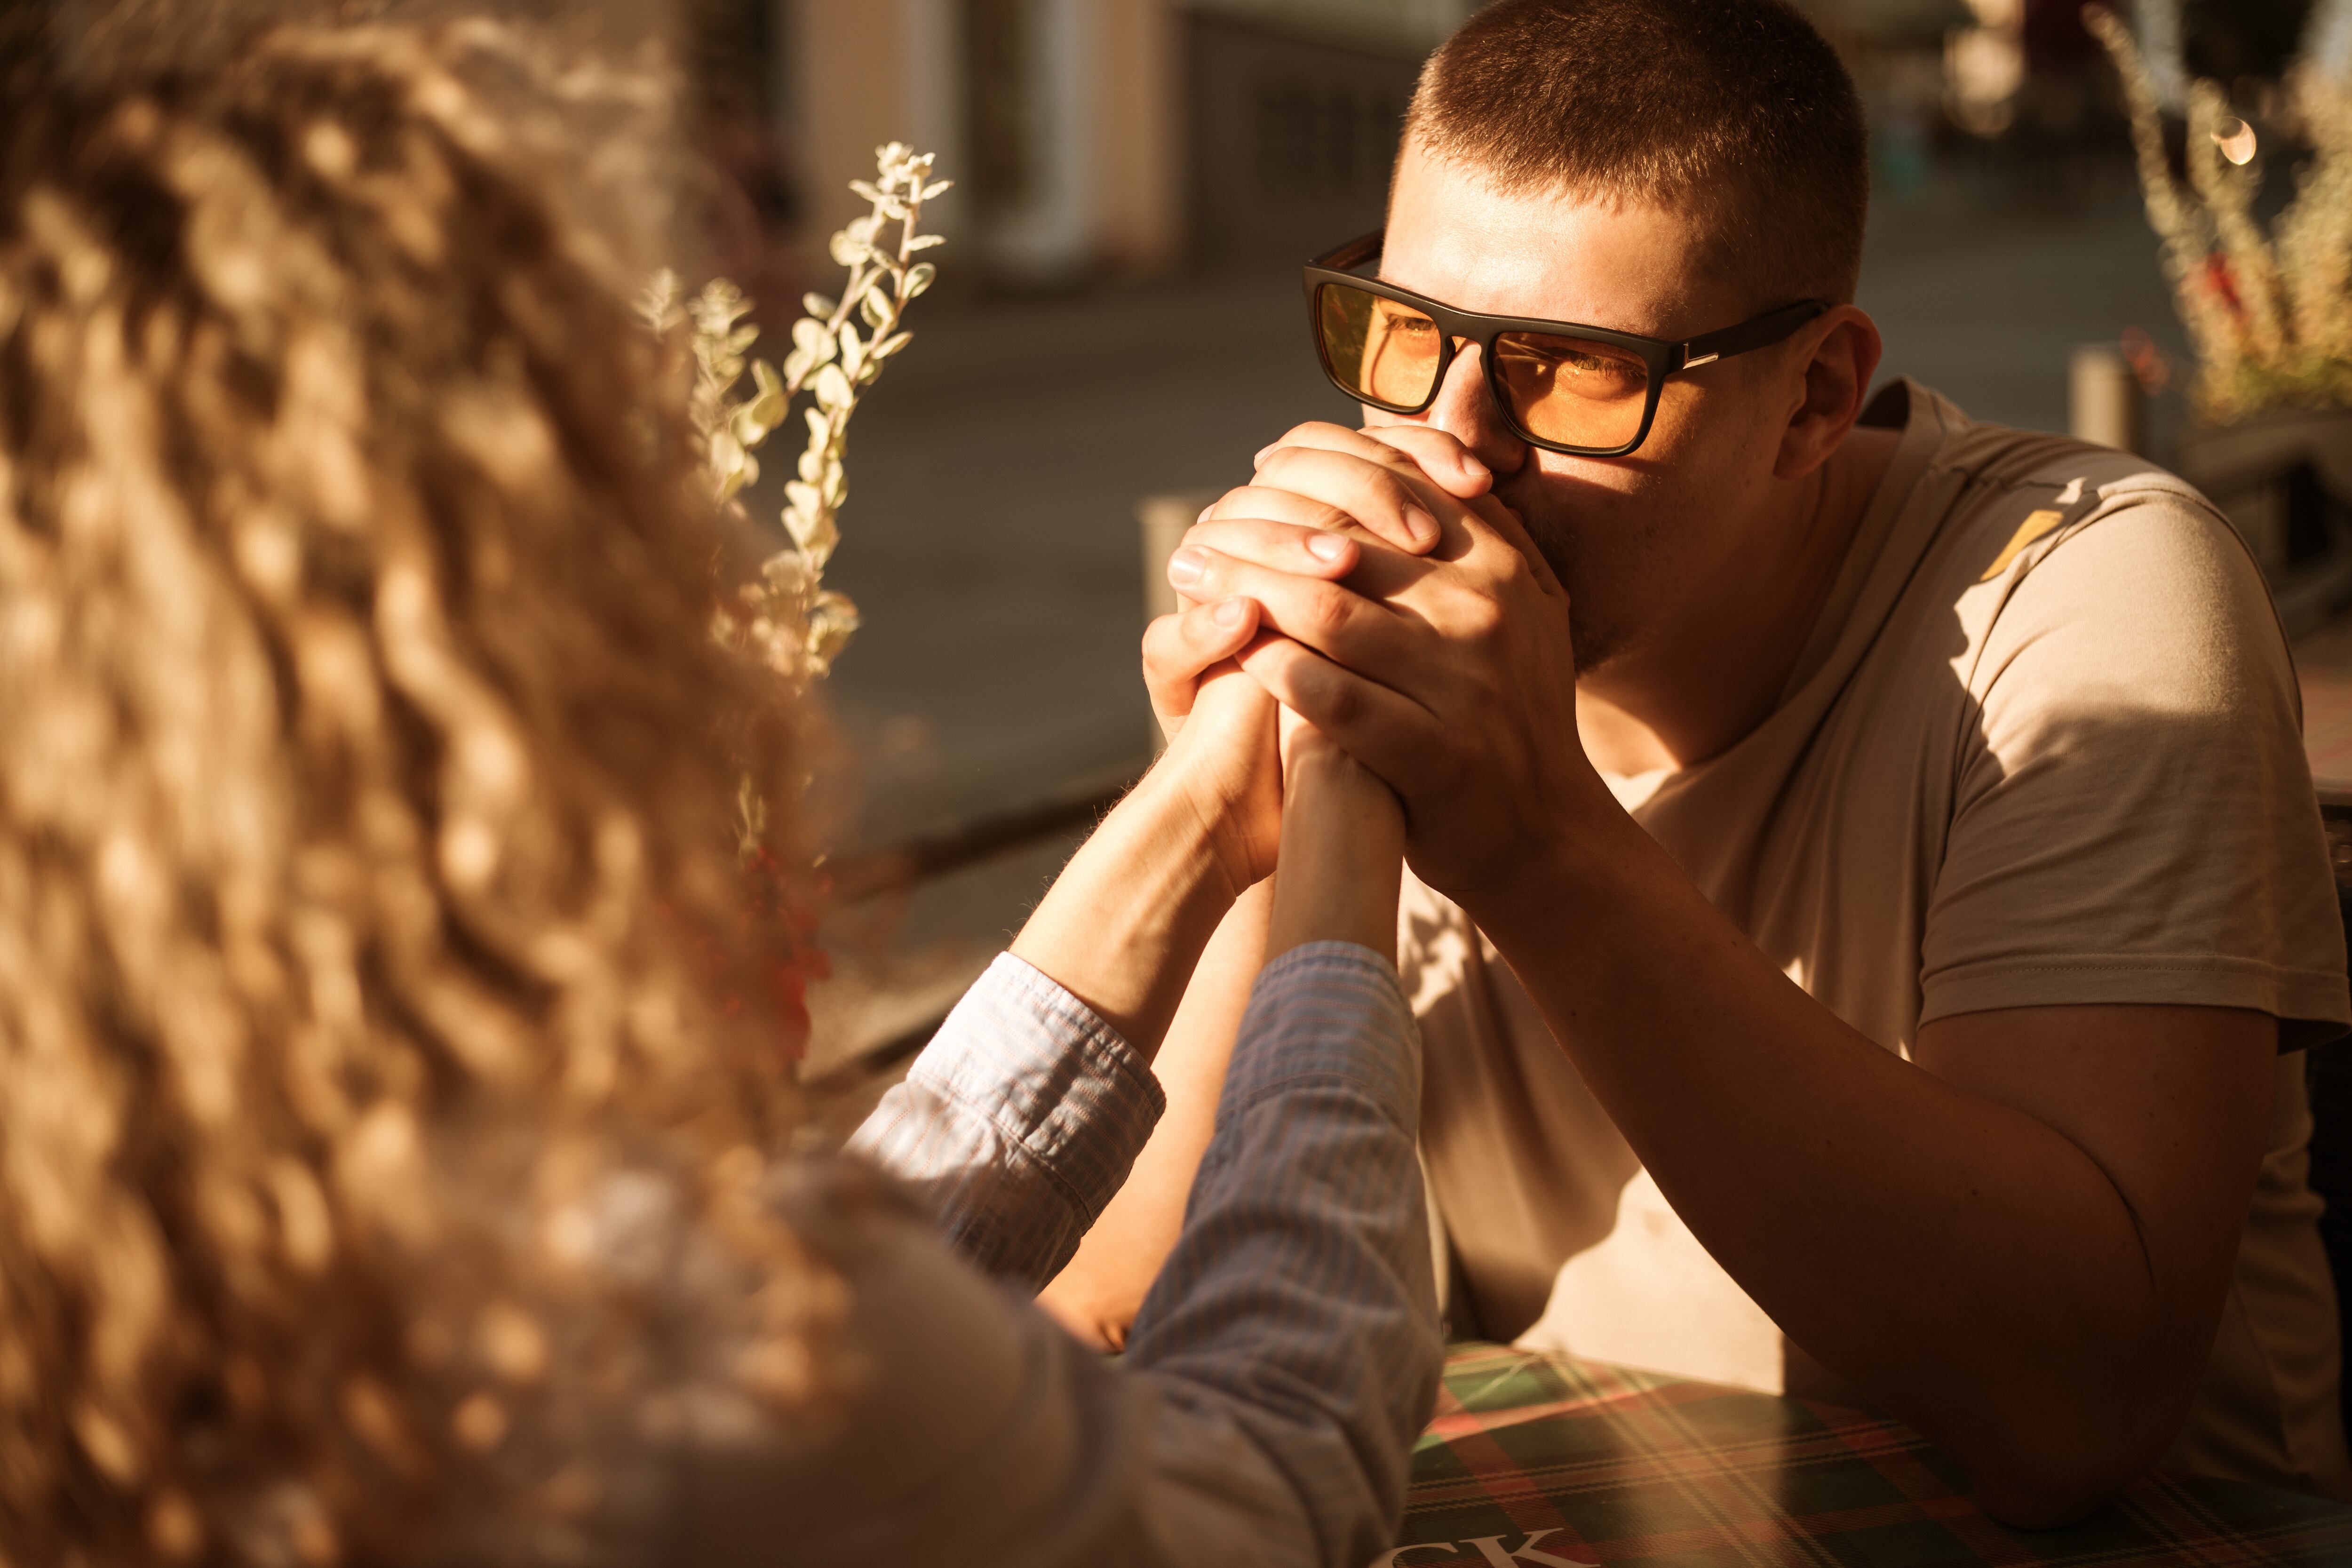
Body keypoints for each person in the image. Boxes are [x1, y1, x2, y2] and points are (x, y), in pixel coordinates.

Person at [0, 9, 1437, 1565]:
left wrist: (1206, 817)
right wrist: (1343, 868)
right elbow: (1268, 1486)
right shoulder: (621, 1308)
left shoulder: (128, 1160)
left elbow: (843, 1304)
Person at [1043, 0, 2352, 1526]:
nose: (1451, 448)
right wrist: (1230, 792)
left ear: (1809, 396)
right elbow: (1131, 1307)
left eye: (1570, 372)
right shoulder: (1388, 648)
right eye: (1404, 335)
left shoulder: (2086, 597)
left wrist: (1530, 832)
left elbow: (2074, 1407)